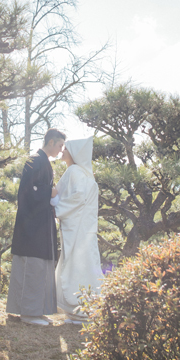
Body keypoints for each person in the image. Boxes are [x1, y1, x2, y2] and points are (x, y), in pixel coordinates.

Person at [6, 128, 65, 326]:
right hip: (31, 226)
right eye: (59, 145)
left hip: (38, 224)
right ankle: (29, 314)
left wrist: (49, 192)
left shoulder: (42, 161)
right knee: (32, 266)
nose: (61, 150)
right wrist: (51, 190)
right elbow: (27, 192)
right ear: (50, 143)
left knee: (37, 267)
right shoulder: (35, 160)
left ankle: (34, 311)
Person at [52, 137, 103, 324]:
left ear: (73, 153)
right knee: (86, 264)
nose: (62, 151)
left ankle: (80, 310)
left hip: (78, 229)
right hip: (85, 229)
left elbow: (76, 198)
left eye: (65, 148)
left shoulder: (74, 171)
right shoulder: (86, 174)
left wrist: (55, 207)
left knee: (76, 266)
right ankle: (87, 308)